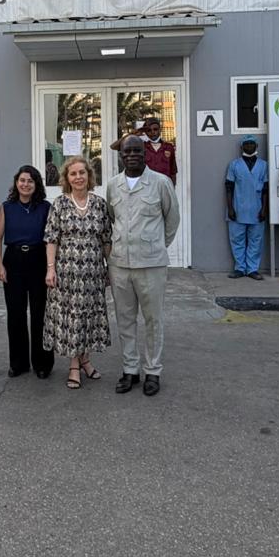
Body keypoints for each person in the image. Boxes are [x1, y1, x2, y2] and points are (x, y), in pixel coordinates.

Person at [106, 135, 178, 397]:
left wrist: (155, 245)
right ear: (121, 156)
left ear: (145, 153)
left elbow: (172, 220)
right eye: (127, 152)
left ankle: (153, 371)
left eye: (137, 150)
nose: (132, 155)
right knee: (125, 320)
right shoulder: (113, 185)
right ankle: (130, 370)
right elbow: (112, 219)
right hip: (120, 265)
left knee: (153, 320)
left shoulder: (161, 183)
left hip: (151, 265)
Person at [42, 155, 112, 391]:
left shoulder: (100, 204)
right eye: (73, 173)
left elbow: (106, 239)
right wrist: (50, 269)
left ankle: (85, 359)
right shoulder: (60, 204)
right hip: (67, 272)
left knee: (89, 317)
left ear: (89, 176)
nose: (78, 177)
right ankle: (74, 365)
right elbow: (51, 238)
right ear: (67, 178)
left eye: (82, 172)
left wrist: (109, 268)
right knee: (72, 318)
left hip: (93, 272)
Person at [0, 165, 54, 379]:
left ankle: (42, 363)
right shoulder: (6, 207)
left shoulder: (45, 207)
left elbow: (52, 239)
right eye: (22, 180)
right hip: (14, 261)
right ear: (16, 183)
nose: (25, 184)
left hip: (38, 260)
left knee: (40, 313)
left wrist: (51, 267)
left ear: (36, 184)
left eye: (30, 181)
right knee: (16, 313)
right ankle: (18, 363)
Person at [225, 135, 269, 280]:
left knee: (256, 241)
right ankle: (240, 268)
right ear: (241, 147)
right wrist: (230, 208)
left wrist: (264, 209)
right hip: (237, 209)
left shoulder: (263, 165)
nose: (249, 146)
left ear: (257, 146)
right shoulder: (234, 165)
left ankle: (252, 269)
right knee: (237, 240)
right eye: (246, 144)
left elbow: (266, 189)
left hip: (257, 209)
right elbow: (229, 187)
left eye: (252, 144)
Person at [111, 116, 177, 183]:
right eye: (149, 130)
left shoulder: (169, 147)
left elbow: (173, 171)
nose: (152, 132)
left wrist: (172, 186)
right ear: (145, 132)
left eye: (155, 129)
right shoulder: (142, 146)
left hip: (164, 184)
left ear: (160, 130)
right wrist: (132, 134)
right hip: (147, 185)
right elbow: (113, 146)